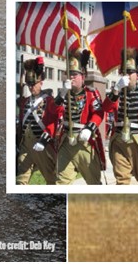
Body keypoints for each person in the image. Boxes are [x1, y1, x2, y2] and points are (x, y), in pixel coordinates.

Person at [101, 47, 138, 185]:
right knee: (121, 181)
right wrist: (116, 89)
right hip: (119, 140)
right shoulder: (117, 92)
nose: (127, 75)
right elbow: (106, 108)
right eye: (124, 72)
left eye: (130, 72)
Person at [52, 50, 105, 185]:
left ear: (83, 75)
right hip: (66, 142)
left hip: (84, 142)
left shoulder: (91, 93)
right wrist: (62, 93)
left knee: (93, 183)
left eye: (75, 74)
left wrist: (89, 128)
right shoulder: (63, 94)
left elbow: (99, 113)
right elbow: (53, 110)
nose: (71, 78)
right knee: (61, 183)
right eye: (69, 74)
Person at [16, 56, 58, 185]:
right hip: (25, 145)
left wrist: (45, 139)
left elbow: (54, 120)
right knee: (20, 179)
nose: (31, 87)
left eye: (33, 84)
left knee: (51, 179)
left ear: (41, 82)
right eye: (29, 85)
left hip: (40, 144)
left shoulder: (49, 100)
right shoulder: (25, 101)